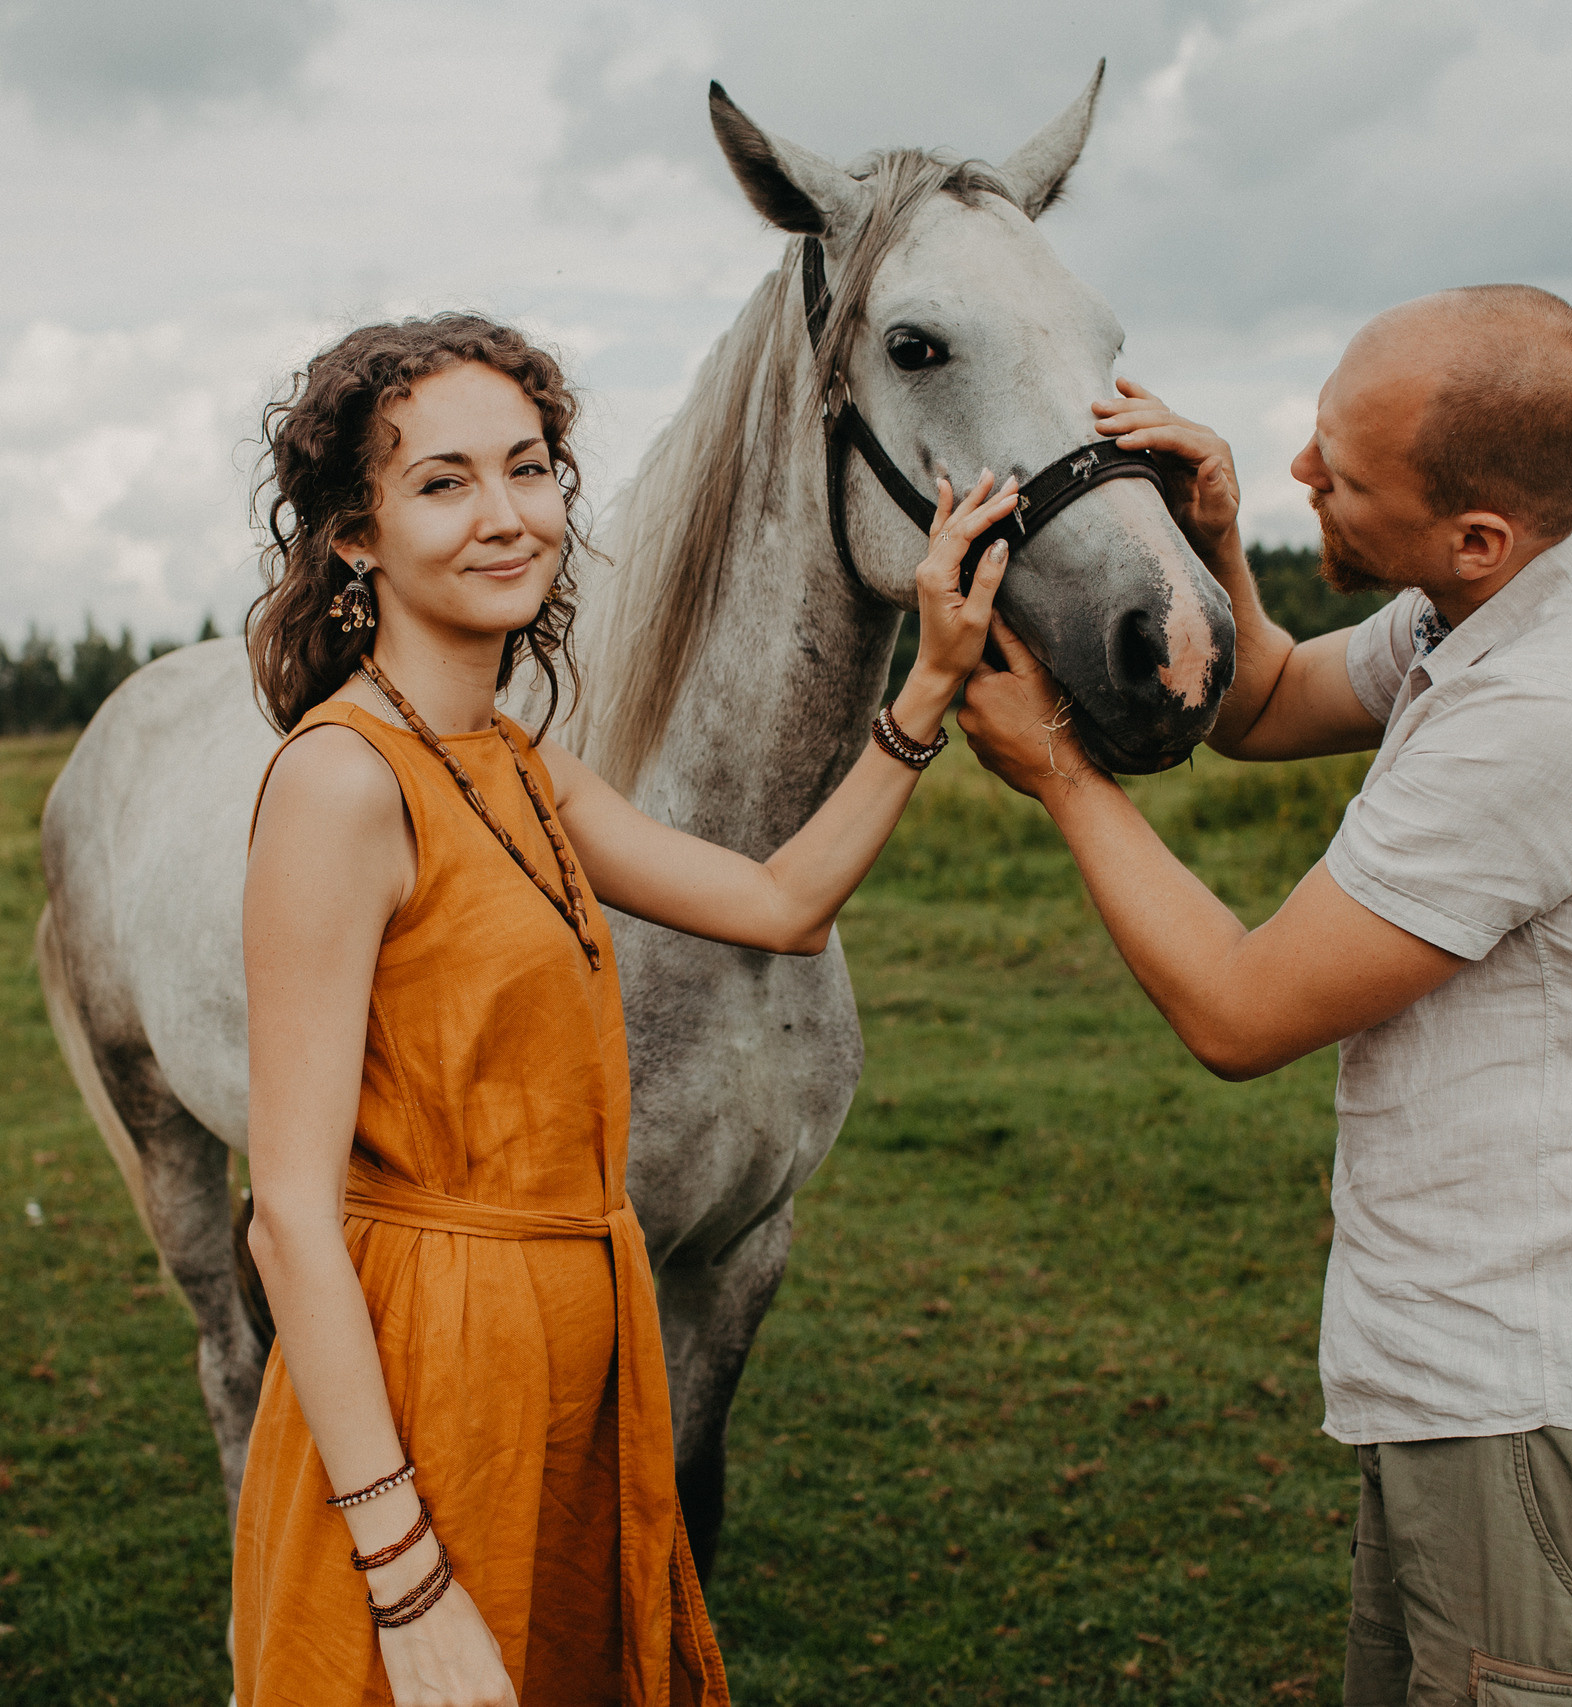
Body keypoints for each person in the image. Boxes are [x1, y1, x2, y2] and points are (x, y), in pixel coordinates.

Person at [957, 286, 1572, 1703]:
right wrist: (1217, 546)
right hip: (1484, 1385)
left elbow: (1240, 1010)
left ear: (1475, 534)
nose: (1299, 476)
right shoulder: (1493, 608)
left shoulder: (1545, 716)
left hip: (1552, 1416)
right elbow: (1263, 702)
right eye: (1318, 434)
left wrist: (1061, 776)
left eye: (1345, 470)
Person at [233, 312, 1019, 1707]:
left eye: (529, 469)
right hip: (434, 1377)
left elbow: (781, 906)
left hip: (584, 1372)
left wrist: (933, 686)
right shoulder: (342, 783)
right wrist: (405, 1577)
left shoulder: (524, 768)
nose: (506, 517)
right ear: (353, 537)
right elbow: (287, 1215)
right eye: (442, 482)